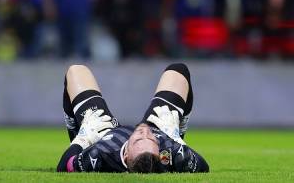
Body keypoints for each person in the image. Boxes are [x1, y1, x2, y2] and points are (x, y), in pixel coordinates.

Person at [57, 63, 209, 173]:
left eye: (138, 139)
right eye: (151, 139)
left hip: (102, 133)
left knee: (75, 70)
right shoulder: (170, 154)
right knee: (178, 70)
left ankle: (78, 134)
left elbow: (65, 166)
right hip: (160, 129)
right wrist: (177, 139)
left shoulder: (101, 155)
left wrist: (84, 138)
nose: (144, 132)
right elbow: (204, 167)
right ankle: (177, 131)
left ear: (126, 154)